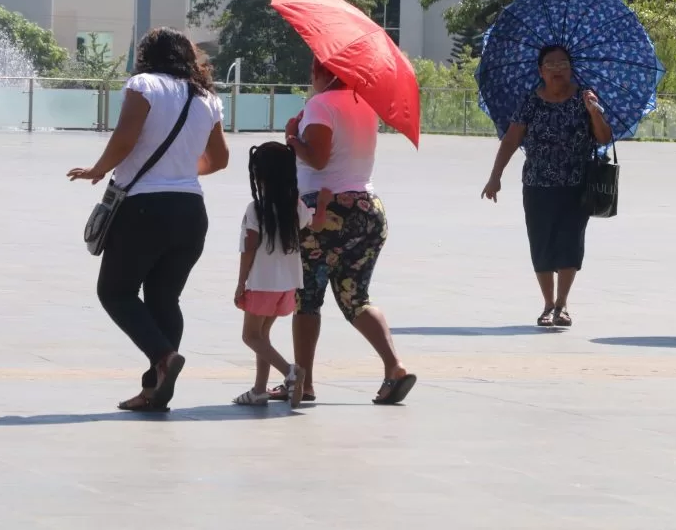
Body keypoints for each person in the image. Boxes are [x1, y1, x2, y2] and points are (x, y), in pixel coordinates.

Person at [68, 27, 229, 411]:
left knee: (116, 293)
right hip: (191, 210)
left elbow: (125, 139)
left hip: (144, 208)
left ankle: (162, 358)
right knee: (164, 297)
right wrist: (179, 171)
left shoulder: (144, 85)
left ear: (147, 55)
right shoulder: (207, 97)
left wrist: (97, 169)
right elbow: (220, 159)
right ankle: (154, 391)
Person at [265, 58, 416, 405]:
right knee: (356, 297)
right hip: (367, 210)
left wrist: (291, 137)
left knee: (308, 298)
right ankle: (394, 367)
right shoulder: (365, 106)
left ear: (322, 73)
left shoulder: (320, 104)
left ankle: (302, 382)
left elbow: (317, 160)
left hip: (326, 211)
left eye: (311, 72)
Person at [481, 45, 613, 327]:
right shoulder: (531, 101)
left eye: (562, 63)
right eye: (550, 64)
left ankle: (562, 305)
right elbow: (512, 139)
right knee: (541, 243)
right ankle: (547, 304)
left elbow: (604, 139)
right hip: (537, 184)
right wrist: (496, 175)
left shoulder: (584, 98)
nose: (557, 69)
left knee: (570, 242)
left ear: (571, 68)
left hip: (577, 184)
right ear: (540, 71)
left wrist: (594, 112)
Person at [232, 141, 330, 408]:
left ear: (259, 175)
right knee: (262, 336)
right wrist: (322, 204)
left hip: (262, 282)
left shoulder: (256, 209)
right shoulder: (296, 206)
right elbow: (317, 224)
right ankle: (259, 390)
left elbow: (249, 247)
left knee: (250, 336)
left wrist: (241, 282)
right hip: (288, 284)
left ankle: (291, 372)